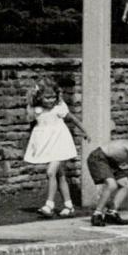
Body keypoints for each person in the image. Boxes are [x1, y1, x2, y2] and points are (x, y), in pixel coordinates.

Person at [24, 80, 85, 217]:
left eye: (53, 97)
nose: (50, 100)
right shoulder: (36, 111)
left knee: (51, 172)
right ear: (39, 97)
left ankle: (49, 205)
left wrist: (84, 131)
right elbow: (32, 126)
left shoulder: (59, 108)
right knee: (60, 175)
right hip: (47, 145)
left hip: (60, 144)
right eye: (47, 97)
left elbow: (72, 119)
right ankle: (69, 205)